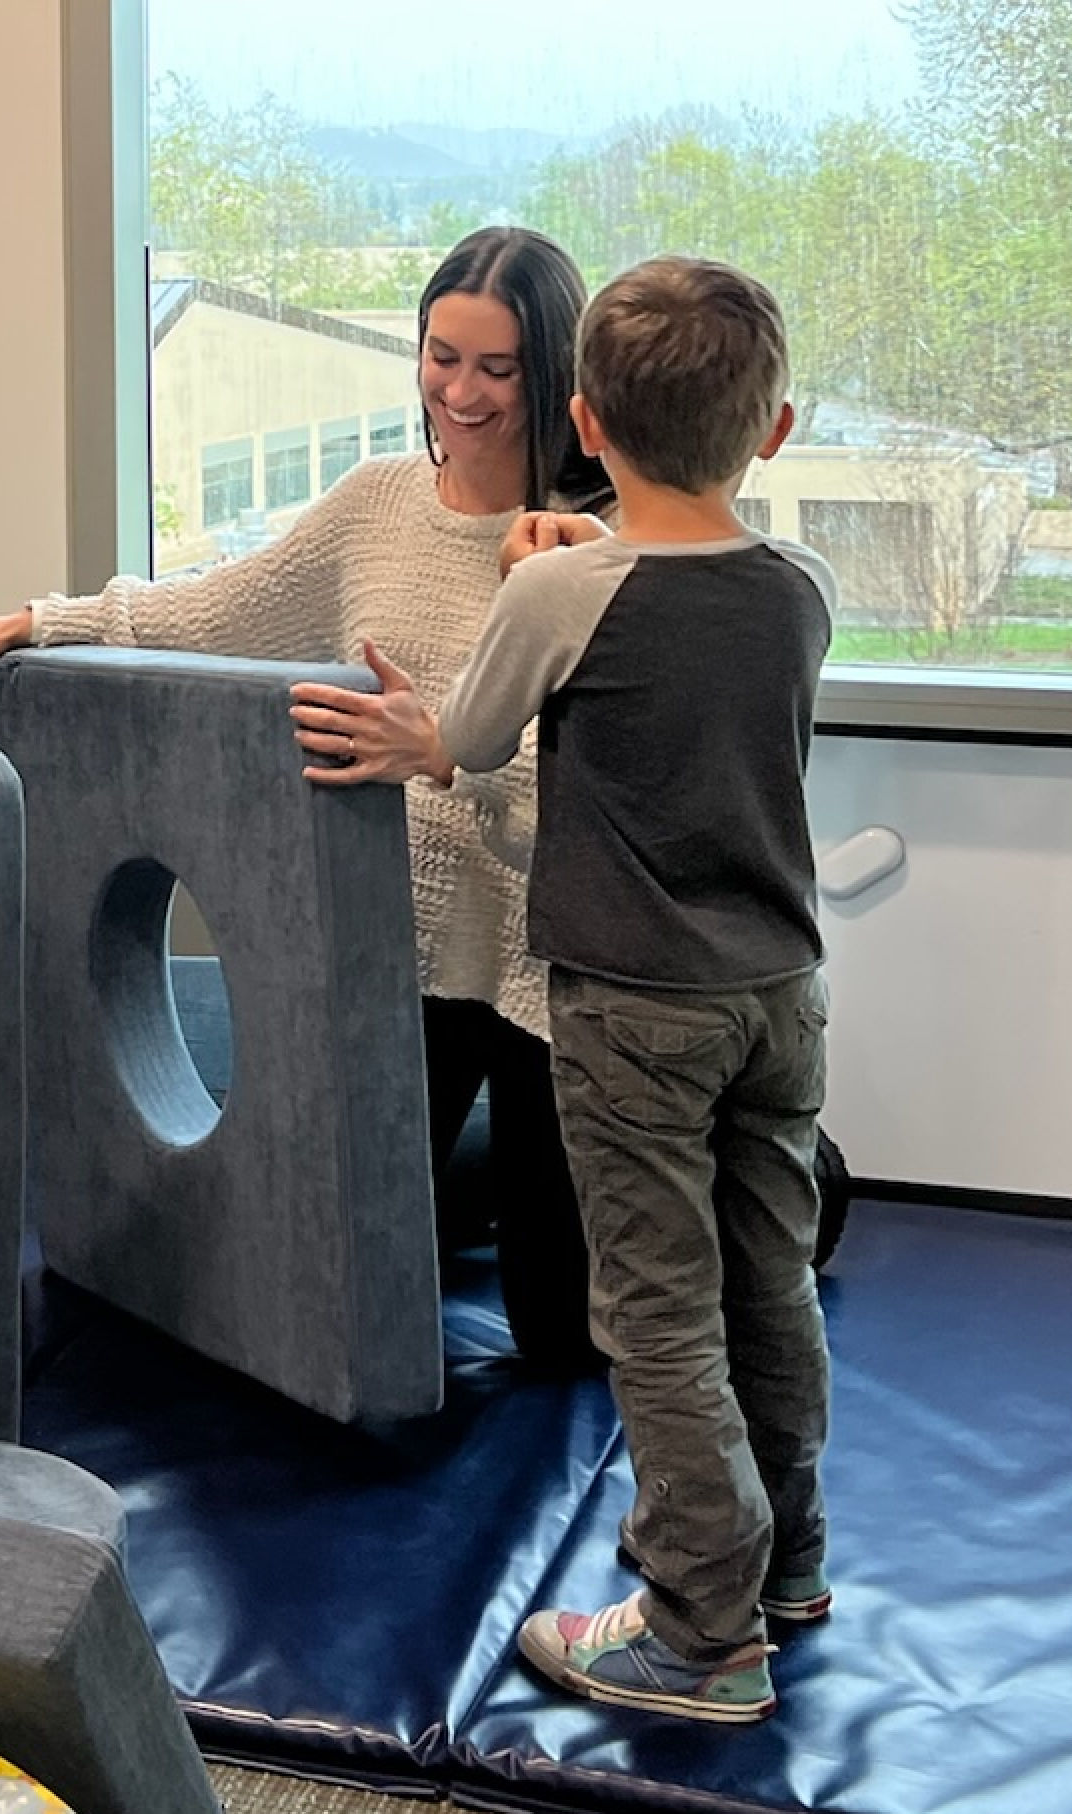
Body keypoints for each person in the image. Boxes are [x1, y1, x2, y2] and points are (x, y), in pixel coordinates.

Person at [0, 228, 612, 1365]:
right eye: (440, 356)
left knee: (563, 1336)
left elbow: (602, 784)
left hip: (539, 957)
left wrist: (439, 748)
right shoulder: (375, 504)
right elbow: (217, 609)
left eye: (496, 368)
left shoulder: (589, 548)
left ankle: (761, 1178)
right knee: (361, 1265)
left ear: (550, 372)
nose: (458, 392)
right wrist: (41, 621)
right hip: (403, 945)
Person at [296, 255, 835, 1723]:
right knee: (767, 1286)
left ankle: (696, 1628)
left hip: (630, 1009)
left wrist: (505, 599)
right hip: (779, 995)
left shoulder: (559, 590)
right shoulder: (802, 590)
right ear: (772, 431)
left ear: (582, 422)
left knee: (652, 1315)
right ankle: (783, 1566)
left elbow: (462, 739)